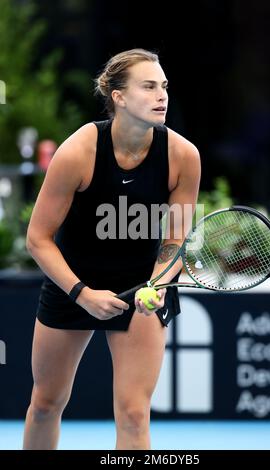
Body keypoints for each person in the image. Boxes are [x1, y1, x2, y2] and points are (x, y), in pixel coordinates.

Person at [23, 48, 201, 450]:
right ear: (118, 96)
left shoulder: (183, 156)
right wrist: (81, 294)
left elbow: (175, 239)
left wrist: (156, 284)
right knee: (46, 403)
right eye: (149, 86)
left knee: (135, 414)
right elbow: (38, 239)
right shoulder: (79, 151)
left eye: (165, 86)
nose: (162, 96)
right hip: (72, 282)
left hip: (141, 287)